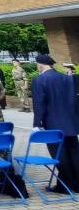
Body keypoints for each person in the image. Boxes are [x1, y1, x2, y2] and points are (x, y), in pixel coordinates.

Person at [32, 54, 79, 193]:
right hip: (70, 122)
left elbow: (39, 103)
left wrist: (37, 123)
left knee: (59, 155)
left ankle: (65, 186)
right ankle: (77, 184)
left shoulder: (39, 80)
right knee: (74, 153)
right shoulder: (66, 78)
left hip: (53, 123)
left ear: (40, 64)